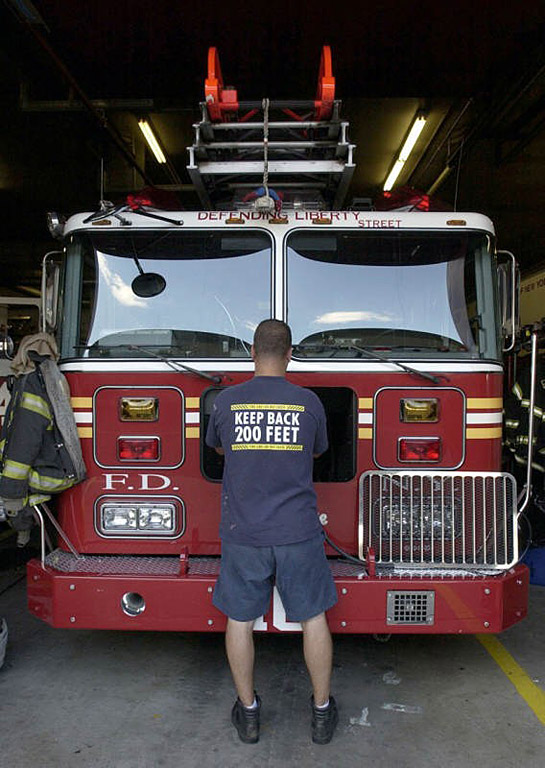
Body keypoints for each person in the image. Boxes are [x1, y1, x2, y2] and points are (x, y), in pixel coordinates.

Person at [205, 319, 338, 745]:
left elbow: (219, 447)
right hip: (299, 531)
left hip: (244, 533)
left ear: (251, 352)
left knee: (240, 621)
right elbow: (317, 451)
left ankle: (248, 714)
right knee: (313, 618)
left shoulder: (226, 403)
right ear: (290, 353)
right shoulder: (308, 403)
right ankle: (321, 713)